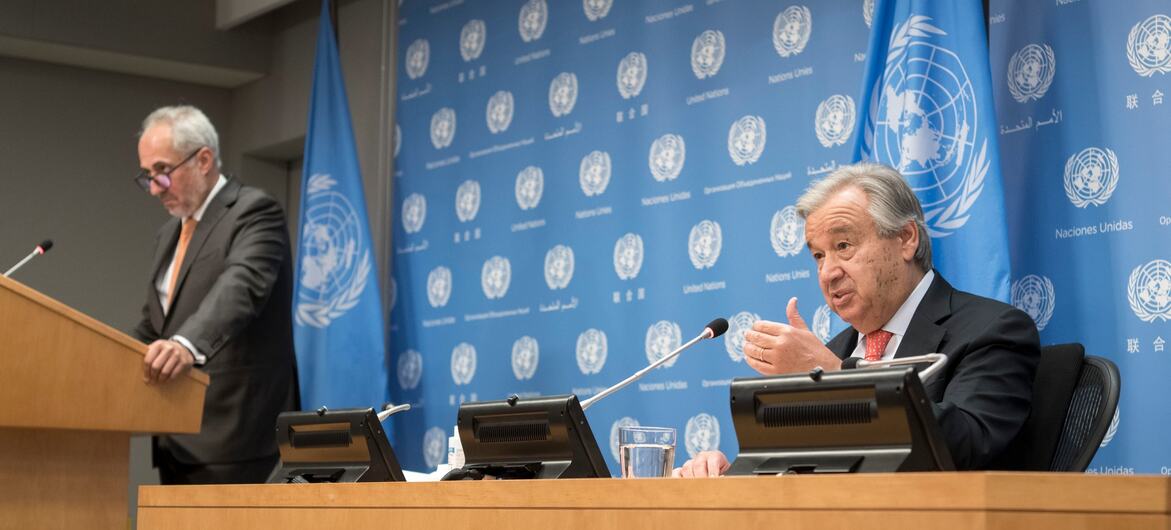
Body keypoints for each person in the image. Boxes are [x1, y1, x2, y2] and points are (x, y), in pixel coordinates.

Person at [676, 162, 1039, 476]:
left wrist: (833, 378)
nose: (828, 273)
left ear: (906, 239)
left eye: (843, 246)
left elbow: (966, 448)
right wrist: (731, 472)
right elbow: (799, 471)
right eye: (818, 255)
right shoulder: (835, 351)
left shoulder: (992, 330)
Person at [130, 105, 299, 484]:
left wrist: (186, 345)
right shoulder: (168, 234)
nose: (155, 188)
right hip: (175, 437)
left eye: (162, 171)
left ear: (203, 159)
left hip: (235, 437)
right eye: (148, 176)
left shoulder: (254, 211)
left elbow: (240, 288)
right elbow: (154, 324)